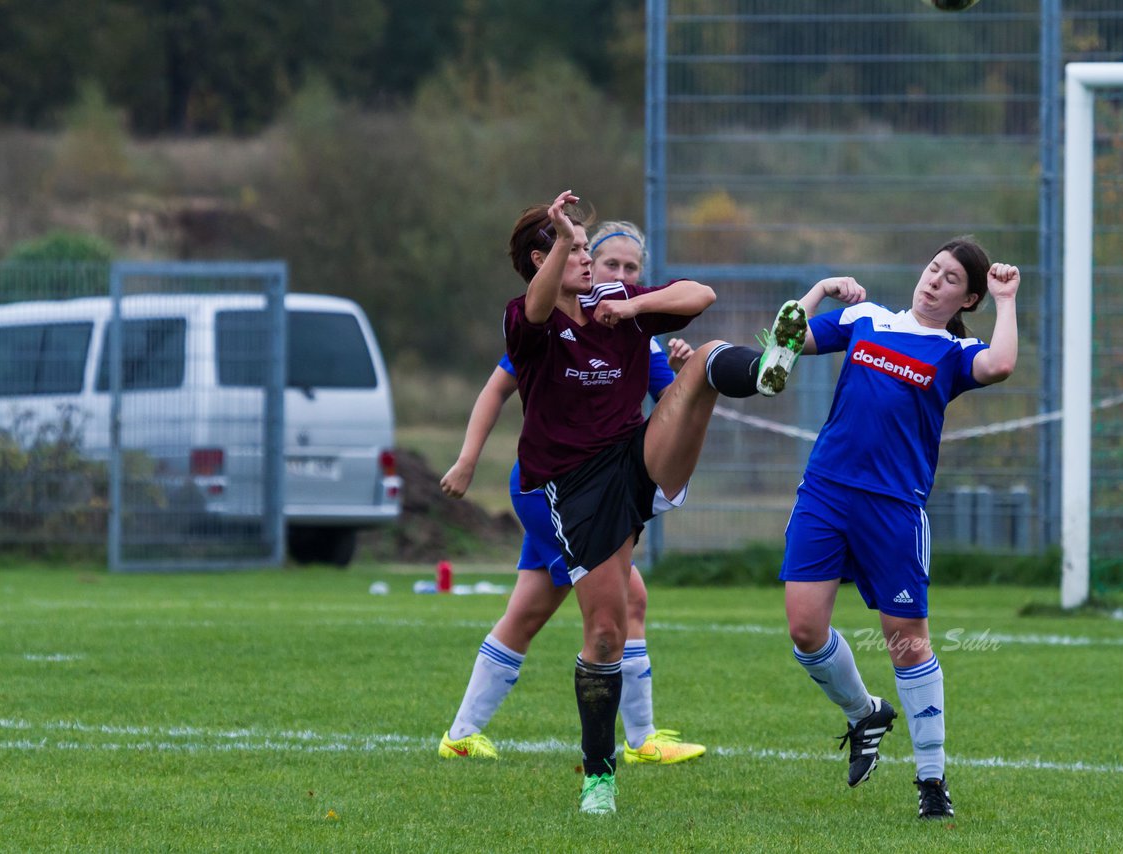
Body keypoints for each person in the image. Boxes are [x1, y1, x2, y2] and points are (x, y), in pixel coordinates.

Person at [499, 190, 824, 814]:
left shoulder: (615, 304)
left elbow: (701, 296)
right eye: (576, 250)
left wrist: (635, 308)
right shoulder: (526, 318)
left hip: (635, 459)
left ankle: (765, 370)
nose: (590, 261)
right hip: (573, 488)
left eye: (589, 248)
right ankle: (599, 774)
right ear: (544, 257)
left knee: (701, 361)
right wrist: (565, 240)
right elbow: (541, 307)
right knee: (605, 632)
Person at [437, 220, 704, 767]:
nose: (618, 275)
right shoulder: (543, 318)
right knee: (628, 600)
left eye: (632, 270)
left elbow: (669, 406)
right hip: (550, 488)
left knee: (530, 609)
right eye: (607, 263)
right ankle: (641, 739)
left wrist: (684, 369)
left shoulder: (630, 324)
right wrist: (467, 460)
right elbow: (497, 387)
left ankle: (461, 732)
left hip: (600, 487)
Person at [775, 238, 1020, 820]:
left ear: (971, 297)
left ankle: (931, 783)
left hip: (893, 509)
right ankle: (865, 713)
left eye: (952, 279)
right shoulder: (866, 318)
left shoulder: (955, 351)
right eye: (932, 267)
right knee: (805, 632)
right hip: (825, 494)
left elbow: (1002, 364)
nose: (934, 281)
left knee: (907, 644)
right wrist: (818, 292)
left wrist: (1008, 301)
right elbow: (785, 342)